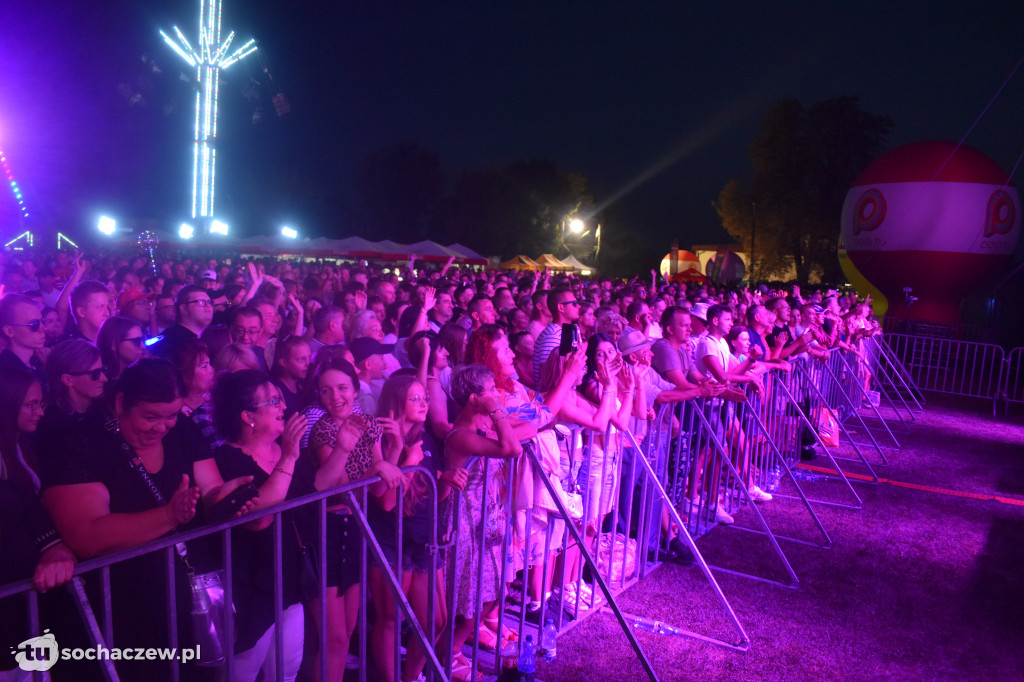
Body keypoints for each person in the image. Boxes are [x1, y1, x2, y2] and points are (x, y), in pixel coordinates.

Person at [38, 359, 209, 678]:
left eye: (171, 415)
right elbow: (86, 535)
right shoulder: (80, 443)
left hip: (178, 605)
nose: (161, 427)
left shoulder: (180, 430)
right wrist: (170, 515)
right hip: (116, 612)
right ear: (119, 403)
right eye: (150, 416)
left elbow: (210, 487)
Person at [309, 359, 405, 682]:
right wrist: (376, 470)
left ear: (355, 389)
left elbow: (378, 491)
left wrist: (395, 451)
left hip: (357, 528)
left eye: (341, 388)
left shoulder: (368, 424)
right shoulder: (322, 430)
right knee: (334, 638)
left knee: (347, 631)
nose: (334, 397)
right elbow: (337, 491)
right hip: (328, 530)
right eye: (325, 390)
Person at [443, 365, 530, 680]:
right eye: (490, 391)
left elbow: (530, 429)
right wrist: (497, 412)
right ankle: (449, 657)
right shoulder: (462, 435)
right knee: (471, 598)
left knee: (491, 591)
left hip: (487, 520)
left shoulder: (481, 429)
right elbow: (511, 447)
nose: (497, 395)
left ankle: (452, 652)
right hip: (465, 521)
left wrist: (497, 415)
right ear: (473, 398)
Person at [533, 286, 580, 387]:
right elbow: (550, 379)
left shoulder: (563, 332)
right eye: (574, 304)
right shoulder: (552, 336)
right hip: (554, 399)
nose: (579, 306)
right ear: (561, 308)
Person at [0, 293, 47, 390]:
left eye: (41, 321)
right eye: (34, 324)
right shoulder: (6, 375)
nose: (43, 328)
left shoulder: (36, 366)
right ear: (10, 331)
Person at [96, 316, 145, 382]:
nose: (143, 346)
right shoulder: (99, 382)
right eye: (136, 341)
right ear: (114, 345)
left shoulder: (141, 376)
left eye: (142, 339)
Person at [272, 335, 311, 414]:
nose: (308, 363)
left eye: (309, 357)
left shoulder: (301, 389)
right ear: (284, 362)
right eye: (301, 359)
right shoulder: (276, 392)